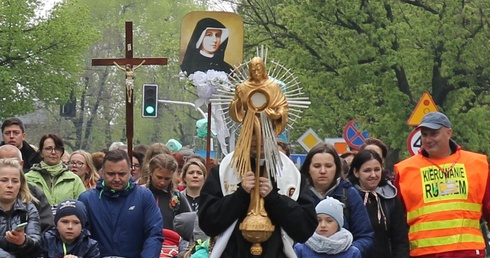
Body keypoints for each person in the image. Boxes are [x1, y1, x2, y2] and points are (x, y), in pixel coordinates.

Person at [394, 111, 490, 257]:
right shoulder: (405, 170)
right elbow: (397, 219)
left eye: (434, 134)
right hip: (425, 253)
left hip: (467, 252)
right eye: (424, 135)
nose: (428, 139)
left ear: (448, 133)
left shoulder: (477, 164)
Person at [78, 149, 163, 257]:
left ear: (130, 172)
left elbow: (154, 234)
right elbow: (81, 237)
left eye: (122, 174)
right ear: (102, 172)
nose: (117, 179)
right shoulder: (87, 200)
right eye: (111, 174)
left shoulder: (144, 197)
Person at [300, 142, 374, 256]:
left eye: (328, 166)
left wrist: (349, 252)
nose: (323, 171)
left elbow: (365, 235)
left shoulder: (349, 194)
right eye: (317, 166)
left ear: (337, 168)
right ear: (308, 168)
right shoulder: (298, 194)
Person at [346, 150, 409, 258]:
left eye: (377, 170)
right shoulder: (346, 198)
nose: (373, 175)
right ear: (356, 172)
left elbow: (400, 241)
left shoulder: (390, 198)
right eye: (367, 170)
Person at [0, 145, 54, 233]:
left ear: (21, 164)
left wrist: (25, 242)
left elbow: (47, 229)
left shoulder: (34, 195)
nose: (8, 165)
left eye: (13, 162)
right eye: (2, 162)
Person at [25, 134, 86, 208]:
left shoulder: (74, 180)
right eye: (48, 148)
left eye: (57, 148)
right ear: (41, 153)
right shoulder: (27, 178)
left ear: (62, 152)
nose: (53, 152)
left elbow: (83, 207)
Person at [294, 197, 362, 258]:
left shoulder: (352, 253)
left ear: (339, 224)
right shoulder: (300, 249)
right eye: (318, 220)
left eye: (329, 221)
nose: (323, 225)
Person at [0, 158, 41, 257]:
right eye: (4, 180)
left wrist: (23, 241)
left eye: (15, 181)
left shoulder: (29, 208)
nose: (10, 185)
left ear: (21, 184)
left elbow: (37, 245)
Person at [146, 153, 190, 231]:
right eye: (159, 177)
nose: (162, 182)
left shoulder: (177, 198)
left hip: (170, 241)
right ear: (151, 172)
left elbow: (188, 225)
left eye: (167, 179)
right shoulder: (139, 194)